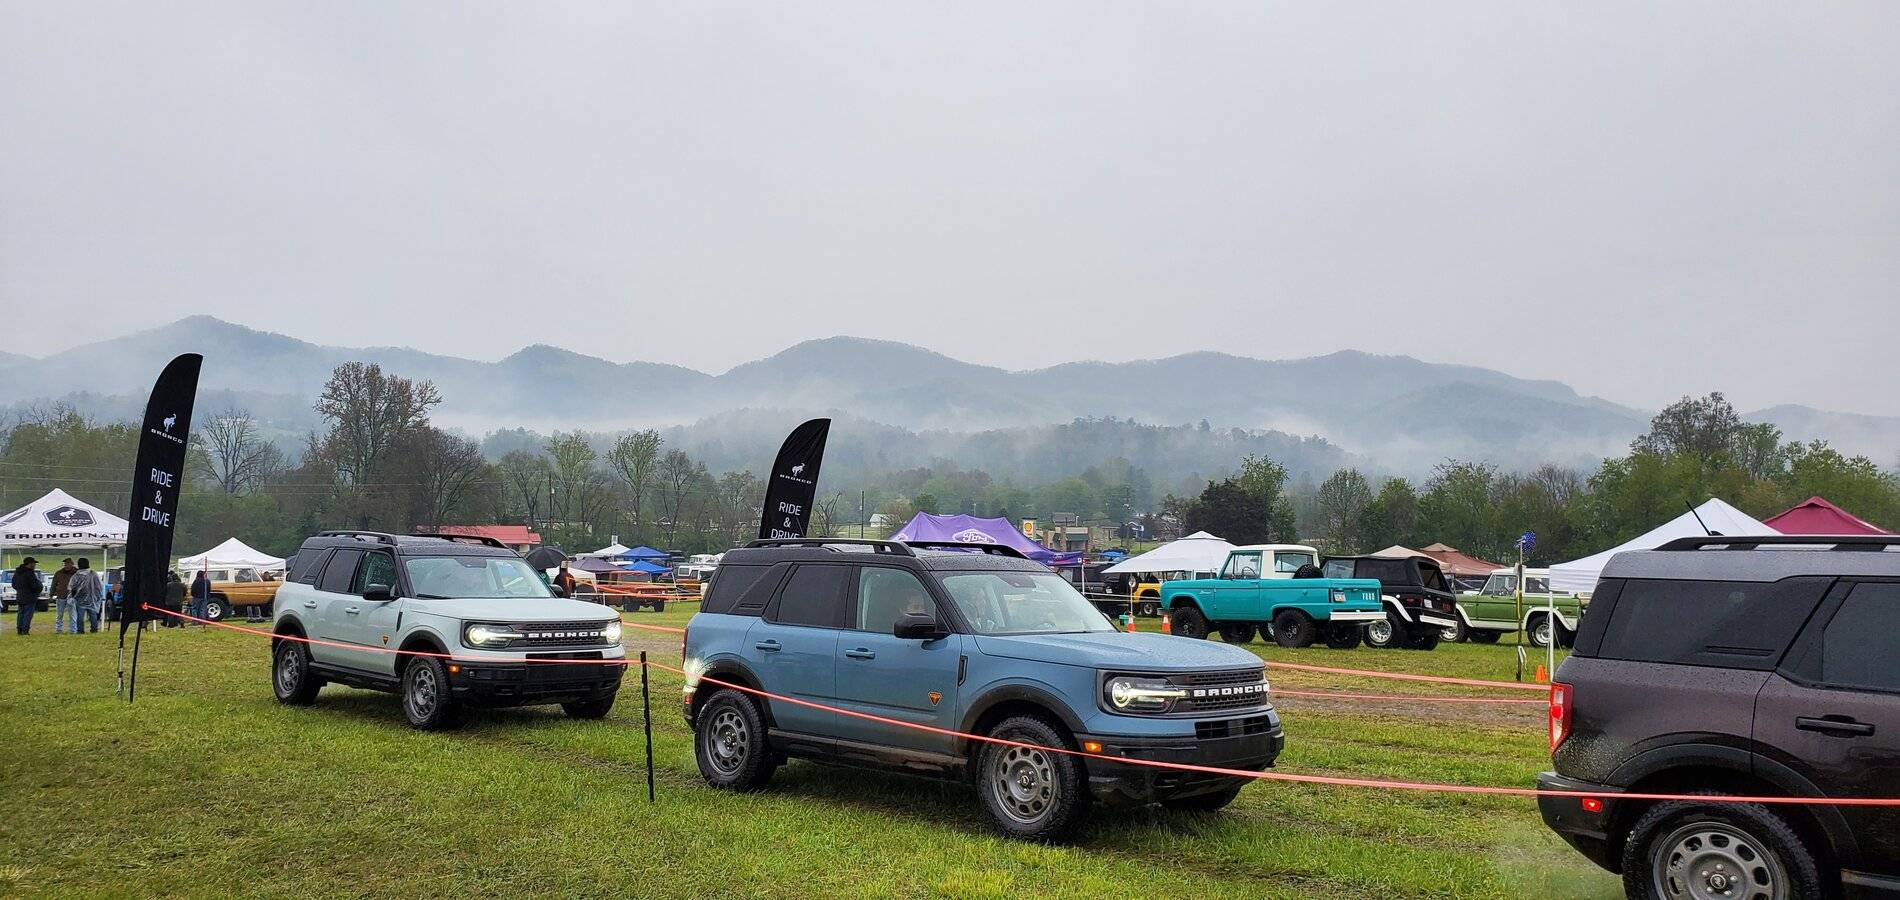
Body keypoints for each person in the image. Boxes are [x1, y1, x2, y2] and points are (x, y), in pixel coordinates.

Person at [70, 558, 103, 634]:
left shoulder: (76, 575)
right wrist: (98, 596)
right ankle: (94, 629)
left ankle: (80, 630)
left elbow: (73, 587)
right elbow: (98, 586)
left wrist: (73, 596)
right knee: (93, 615)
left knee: (80, 616)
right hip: (92, 599)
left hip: (80, 599)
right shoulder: (93, 573)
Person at [11, 557, 42, 635]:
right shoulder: (30, 573)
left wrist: (20, 590)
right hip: (30, 597)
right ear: (29, 564)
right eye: (34, 563)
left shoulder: (17, 572)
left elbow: (14, 584)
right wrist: (39, 587)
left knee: (20, 614)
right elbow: (35, 586)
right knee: (28, 615)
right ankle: (25, 631)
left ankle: (19, 630)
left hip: (20, 596)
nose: (35, 565)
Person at [52, 558, 77, 634]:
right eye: (65, 564)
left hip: (72, 596)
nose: (66, 565)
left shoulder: (76, 573)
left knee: (72, 615)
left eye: (68, 564)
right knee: (59, 615)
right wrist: (51, 594)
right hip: (61, 596)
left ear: (72, 564)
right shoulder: (58, 573)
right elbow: (54, 584)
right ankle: (59, 629)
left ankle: (73, 630)